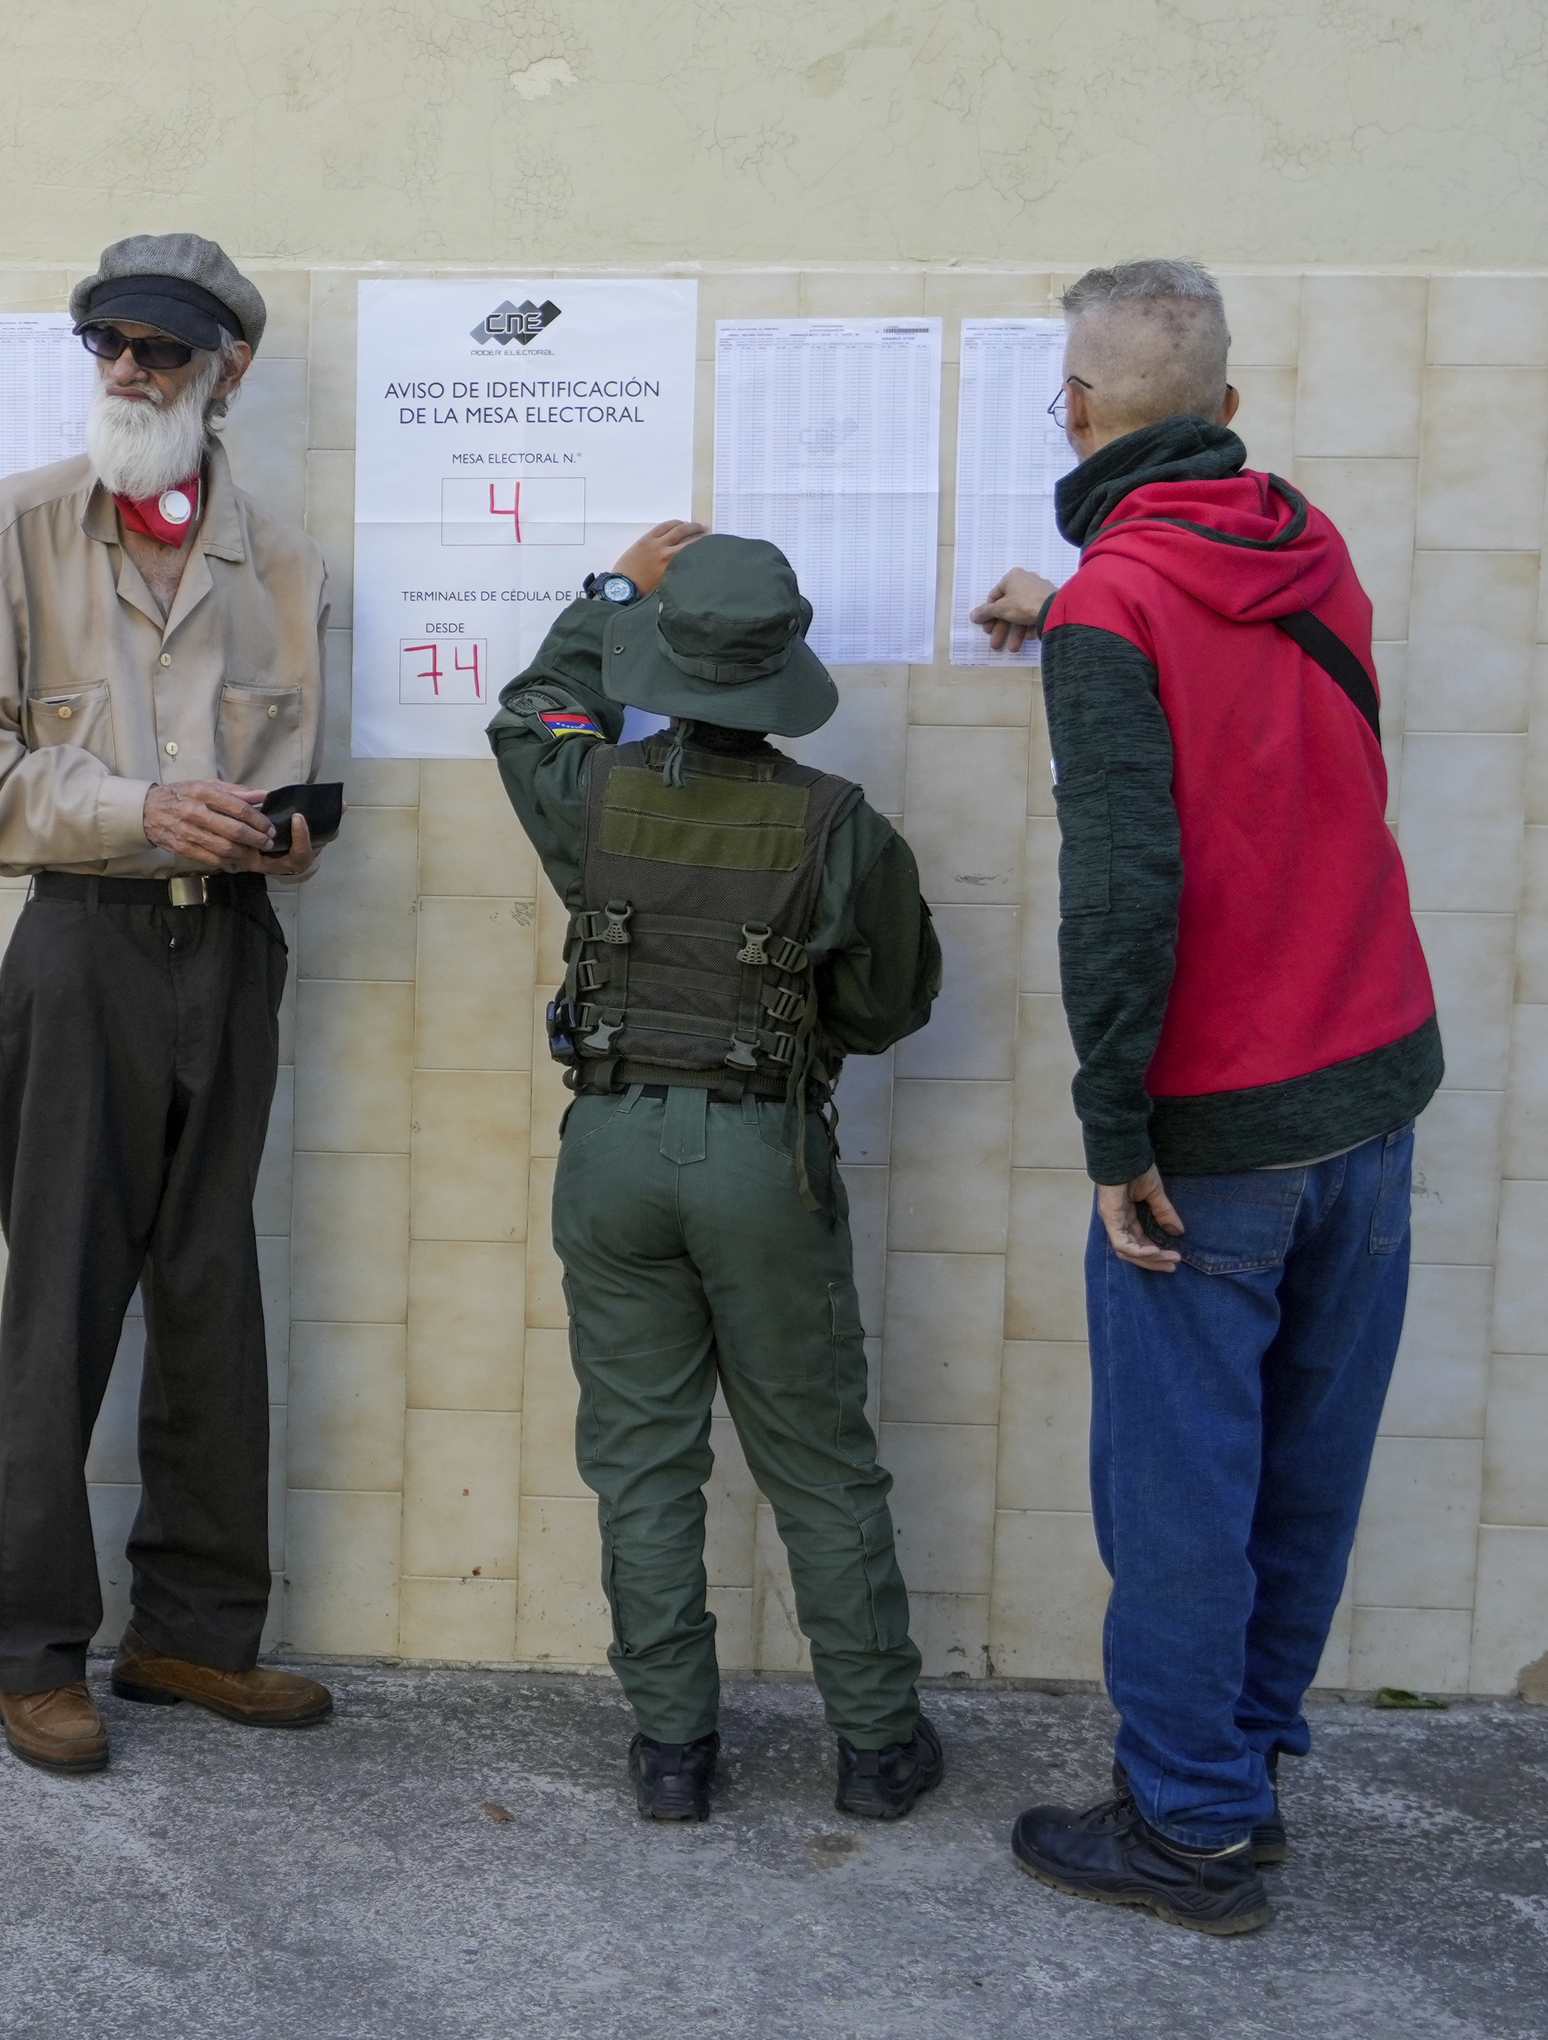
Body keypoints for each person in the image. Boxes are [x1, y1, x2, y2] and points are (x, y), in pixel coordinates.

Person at [970, 258, 1439, 1936]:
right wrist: (1073, 611)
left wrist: (1116, 1135)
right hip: (1374, 1083)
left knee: (1179, 1491)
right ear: (1228, 416)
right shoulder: (1307, 546)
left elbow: (1126, 898)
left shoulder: (1120, 608)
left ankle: (1187, 1831)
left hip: (1222, 1125)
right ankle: (1243, 1767)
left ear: (1076, 411)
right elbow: (1273, 735)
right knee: (1307, 1464)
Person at [0, 232, 337, 1773]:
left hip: (227, 954)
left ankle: (193, 1633)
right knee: (62, 1305)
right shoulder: (21, 527)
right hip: (82, 946)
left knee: (212, 1294)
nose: (126, 369)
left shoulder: (283, 560)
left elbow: (292, 787)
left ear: (225, 369)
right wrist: (143, 810)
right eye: (105, 341)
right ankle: (33, 1649)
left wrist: (283, 832)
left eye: (160, 349)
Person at [488, 526, 947, 1826]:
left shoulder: (591, 796)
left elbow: (533, 709)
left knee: (641, 1461)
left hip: (613, 1151)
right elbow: (890, 1003)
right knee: (820, 1461)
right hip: (761, 1151)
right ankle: (873, 1747)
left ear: (669, 661)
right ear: (780, 667)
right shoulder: (842, 828)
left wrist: (614, 593)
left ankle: (676, 1753)